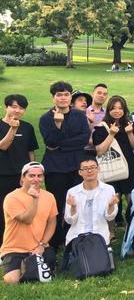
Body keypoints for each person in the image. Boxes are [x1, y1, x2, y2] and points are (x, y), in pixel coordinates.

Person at [39, 81, 89, 250]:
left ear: (70, 97)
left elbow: (83, 139)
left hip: (76, 166)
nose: (63, 98)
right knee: (58, 205)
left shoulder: (79, 115)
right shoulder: (46, 119)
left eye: (66, 94)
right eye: (59, 95)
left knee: (76, 202)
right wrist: (58, 125)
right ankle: (55, 239)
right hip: (55, 168)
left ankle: (72, 236)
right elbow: (50, 142)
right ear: (53, 98)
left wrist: (60, 145)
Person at [93, 95, 134, 237]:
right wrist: (111, 134)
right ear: (108, 110)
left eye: (120, 108)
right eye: (113, 108)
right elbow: (99, 150)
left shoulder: (129, 124)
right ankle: (110, 230)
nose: (117, 111)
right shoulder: (102, 127)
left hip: (129, 166)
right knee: (111, 199)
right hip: (111, 167)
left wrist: (129, 133)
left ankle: (131, 226)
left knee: (132, 198)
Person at [1, 162, 57, 284]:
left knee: (45, 277)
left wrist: (42, 245)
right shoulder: (11, 198)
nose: (36, 179)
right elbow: (27, 219)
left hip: (39, 247)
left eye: (39, 176)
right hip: (15, 248)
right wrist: (35, 199)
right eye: (31, 176)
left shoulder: (49, 197)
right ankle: (22, 265)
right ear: (22, 178)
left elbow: (52, 223)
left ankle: (29, 265)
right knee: (12, 280)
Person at [62, 158, 118, 268]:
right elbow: (69, 220)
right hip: (77, 236)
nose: (89, 171)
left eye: (92, 168)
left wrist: (111, 205)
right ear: (80, 172)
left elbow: (110, 217)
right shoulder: (72, 192)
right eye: (85, 169)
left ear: (98, 169)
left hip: (99, 236)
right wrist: (73, 207)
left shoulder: (108, 189)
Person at [0, 95, 38, 247]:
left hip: (22, 177)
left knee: (25, 209)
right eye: (14, 107)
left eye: (21, 108)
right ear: (6, 107)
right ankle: (4, 245)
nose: (17, 110)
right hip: (3, 175)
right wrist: (13, 129)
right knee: (4, 211)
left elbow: (31, 151)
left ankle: (24, 242)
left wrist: (32, 172)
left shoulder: (28, 127)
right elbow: (2, 146)